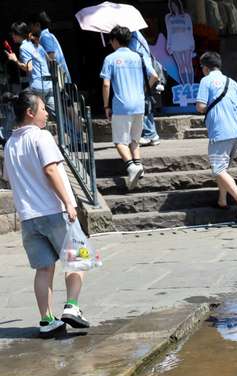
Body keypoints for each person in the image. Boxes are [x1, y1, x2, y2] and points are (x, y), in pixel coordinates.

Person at [1, 91, 88, 337]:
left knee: (44, 268)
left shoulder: (9, 144)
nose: (47, 113)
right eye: (43, 109)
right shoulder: (41, 136)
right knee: (79, 257)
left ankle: (46, 320)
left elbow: (9, 178)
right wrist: (68, 203)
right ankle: (72, 307)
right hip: (54, 211)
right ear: (30, 113)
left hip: (28, 218)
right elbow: (51, 170)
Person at [195, 52, 237, 222]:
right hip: (236, 131)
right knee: (223, 168)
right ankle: (222, 200)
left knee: (218, 169)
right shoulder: (231, 82)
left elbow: (200, 106)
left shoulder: (205, 81)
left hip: (219, 132)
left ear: (205, 67)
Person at [101, 26, 158, 191]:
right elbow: (154, 76)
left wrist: (106, 106)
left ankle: (131, 166)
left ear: (115, 40)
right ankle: (139, 166)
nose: (111, 44)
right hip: (139, 104)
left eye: (111, 41)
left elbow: (106, 84)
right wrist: (143, 90)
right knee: (134, 140)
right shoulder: (139, 56)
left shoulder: (110, 59)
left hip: (121, 105)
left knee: (119, 141)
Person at [6, 22, 54, 116]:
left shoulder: (23, 47)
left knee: (19, 105)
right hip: (49, 84)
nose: (12, 37)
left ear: (17, 34)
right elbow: (49, 60)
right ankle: (73, 129)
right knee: (56, 113)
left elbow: (29, 68)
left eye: (13, 34)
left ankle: (7, 130)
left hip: (37, 86)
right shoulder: (36, 44)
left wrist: (15, 60)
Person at [129, 30, 161, 147]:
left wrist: (143, 89)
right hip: (145, 80)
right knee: (146, 106)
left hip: (145, 81)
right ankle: (152, 135)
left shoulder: (134, 42)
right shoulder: (138, 37)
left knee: (144, 107)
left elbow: (153, 75)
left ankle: (150, 135)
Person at [29, 12, 70, 83]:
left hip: (60, 80)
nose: (30, 28)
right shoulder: (46, 36)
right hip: (60, 79)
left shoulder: (45, 37)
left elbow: (51, 59)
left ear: (37, 25)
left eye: (31, 25)